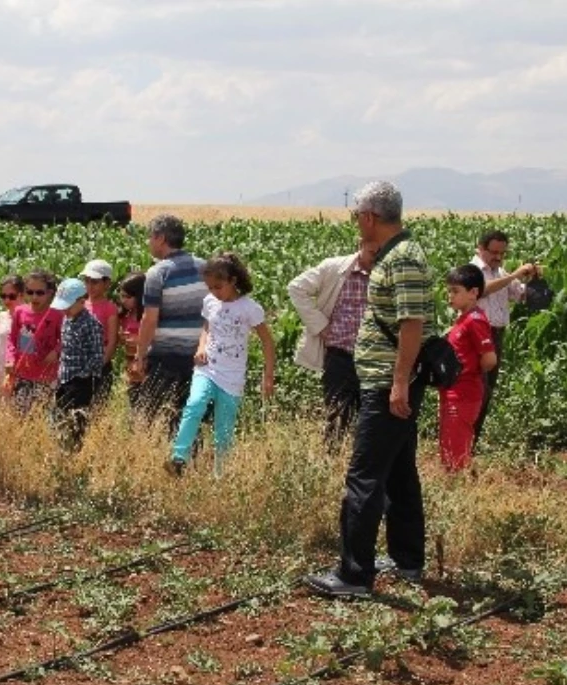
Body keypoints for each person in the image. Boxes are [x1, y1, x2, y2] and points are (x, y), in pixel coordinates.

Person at [305, 181, 434, 598]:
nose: (356, 221)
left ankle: (354, 575)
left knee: (363, 477)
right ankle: (407, 560)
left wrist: (398, 382)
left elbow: (412, 324)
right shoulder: (396, 256)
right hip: (386, 382)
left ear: (369, 217)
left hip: (387, 386)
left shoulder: (403, 260)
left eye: (357, 214)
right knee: (399, 474)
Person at [167, 253, 275, 477]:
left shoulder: (249, 308)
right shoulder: (210, 301)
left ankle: (220, 475)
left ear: (233, 281)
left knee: (223, 430)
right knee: (194, 405)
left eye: (218, 287)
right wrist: (200, 347)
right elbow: (207, 327)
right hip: (208, 368)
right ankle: (178, 458)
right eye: (210, 287)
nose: (214, 292)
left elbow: (267, 341)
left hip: (233, 376)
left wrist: (268, 375)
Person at [287, 240, 379, 448]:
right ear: (360, 243)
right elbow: (296, 288)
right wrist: (320, 326)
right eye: (372, 249)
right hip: (341, 356)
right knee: (337, 418)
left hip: (374, 360)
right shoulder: (334, 268)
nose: (376, 254)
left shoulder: (389, 276)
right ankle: (332, 464)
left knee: (371, 424)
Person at [130, 215, 207, 437]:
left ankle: (166, 461)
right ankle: (188, 461)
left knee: (157, 414)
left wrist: (140, 355)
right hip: (200, 355)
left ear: (161, 238)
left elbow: (150, 319)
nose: (148, 242)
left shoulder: (158, 272)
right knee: (190, 415)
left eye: (150, 237)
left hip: (166, 356)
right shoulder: (204, 267)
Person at [471, 230, 540, 443]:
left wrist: (536, 280)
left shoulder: (501, 272)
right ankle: (462, 443)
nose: (498, 257)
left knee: (487, 391)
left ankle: (471, 442)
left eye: (502, 253)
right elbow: (481, 290)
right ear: (480, 249)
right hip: (475, 336)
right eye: (493, 252)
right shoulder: (471, 270)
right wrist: (515, 274)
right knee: (476, 391)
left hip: (496, 336)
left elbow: (522, 296)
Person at [439, 264, 497, 472]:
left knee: (456, 449)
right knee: (449, 444)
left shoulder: (475, 321)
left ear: (473, 293)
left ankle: (457, 488)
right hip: (453, 390)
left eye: (455, 291)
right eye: (449, 290)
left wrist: (468, 372)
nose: (450, 296)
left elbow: (489, 359)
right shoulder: (463, 318)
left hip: (464, 392)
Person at [50, 277, 104, 451]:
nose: (64, 310)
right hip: (64, 377)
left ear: (82, 301)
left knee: (77, 422)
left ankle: (75, 452)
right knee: (59, 418)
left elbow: (97, 355)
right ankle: (61, 449)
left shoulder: (91, 324)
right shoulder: (67, 320)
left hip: (81, 381)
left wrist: (82, 375)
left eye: (67, 306)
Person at [4, 271, 62, 415]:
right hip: (22, 374)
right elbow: (12, 338)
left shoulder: (56, 314)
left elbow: (65, 338)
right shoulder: (19, 312)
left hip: (46, 376)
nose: (34, 297)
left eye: (40, 293)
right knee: (20, 416)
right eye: (30, 292)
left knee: (42, 417)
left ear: (50, 293)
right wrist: (10, 358)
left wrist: (56, 351)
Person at [79, 259, 120, 405]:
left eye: (94, 282)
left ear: (107, 284)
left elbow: (112, 340)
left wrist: (101, 363)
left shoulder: (110, 308)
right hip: (79, 362)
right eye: (87, 281)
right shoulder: (80, 304)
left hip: (99, 363)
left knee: (97, 406)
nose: (90, 286)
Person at [0, 275, 25, 400]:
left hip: (22, 373)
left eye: (11, 296)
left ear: (22, 295)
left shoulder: (29, 318)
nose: (7, 301)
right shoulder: (0, 317)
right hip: (1, 371)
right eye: (3, 296)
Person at [117, 272, 147, 412]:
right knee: (134, 407)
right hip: (130, 370)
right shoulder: (125, 316)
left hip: (145, 369)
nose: (123, 300)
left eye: (128, 297)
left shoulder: (146, 317)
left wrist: (137, 339)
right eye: (122, 296)